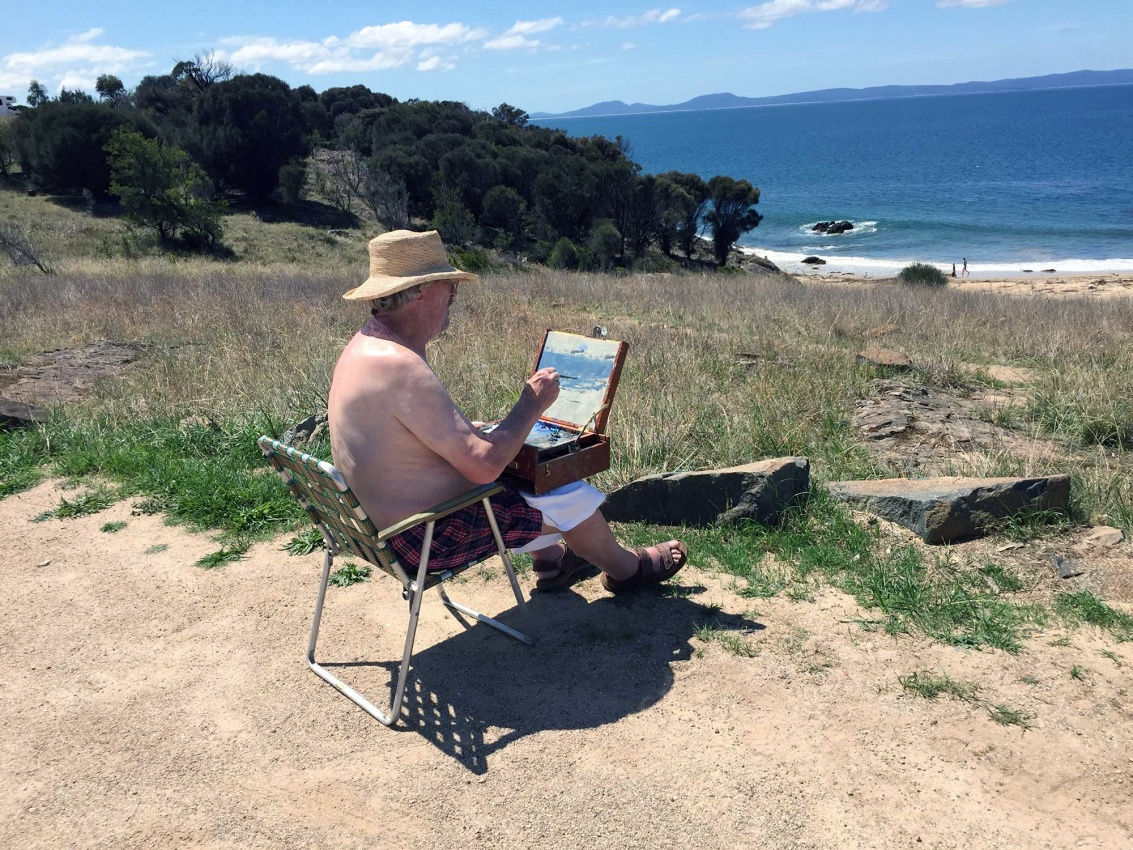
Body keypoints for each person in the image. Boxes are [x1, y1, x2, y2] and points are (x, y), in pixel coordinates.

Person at [328, 230, 687, 594]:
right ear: (420, 291)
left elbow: (398, 441)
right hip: (426, 539)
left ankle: (553, 562)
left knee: (525, 472)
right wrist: (531, 402)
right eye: (449, 285)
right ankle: (627, 570)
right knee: (567, 494)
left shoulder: (365, 346)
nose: (454, 295)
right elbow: (483, 467)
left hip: (379, 532)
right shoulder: (400, 366)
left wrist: (472, 433)